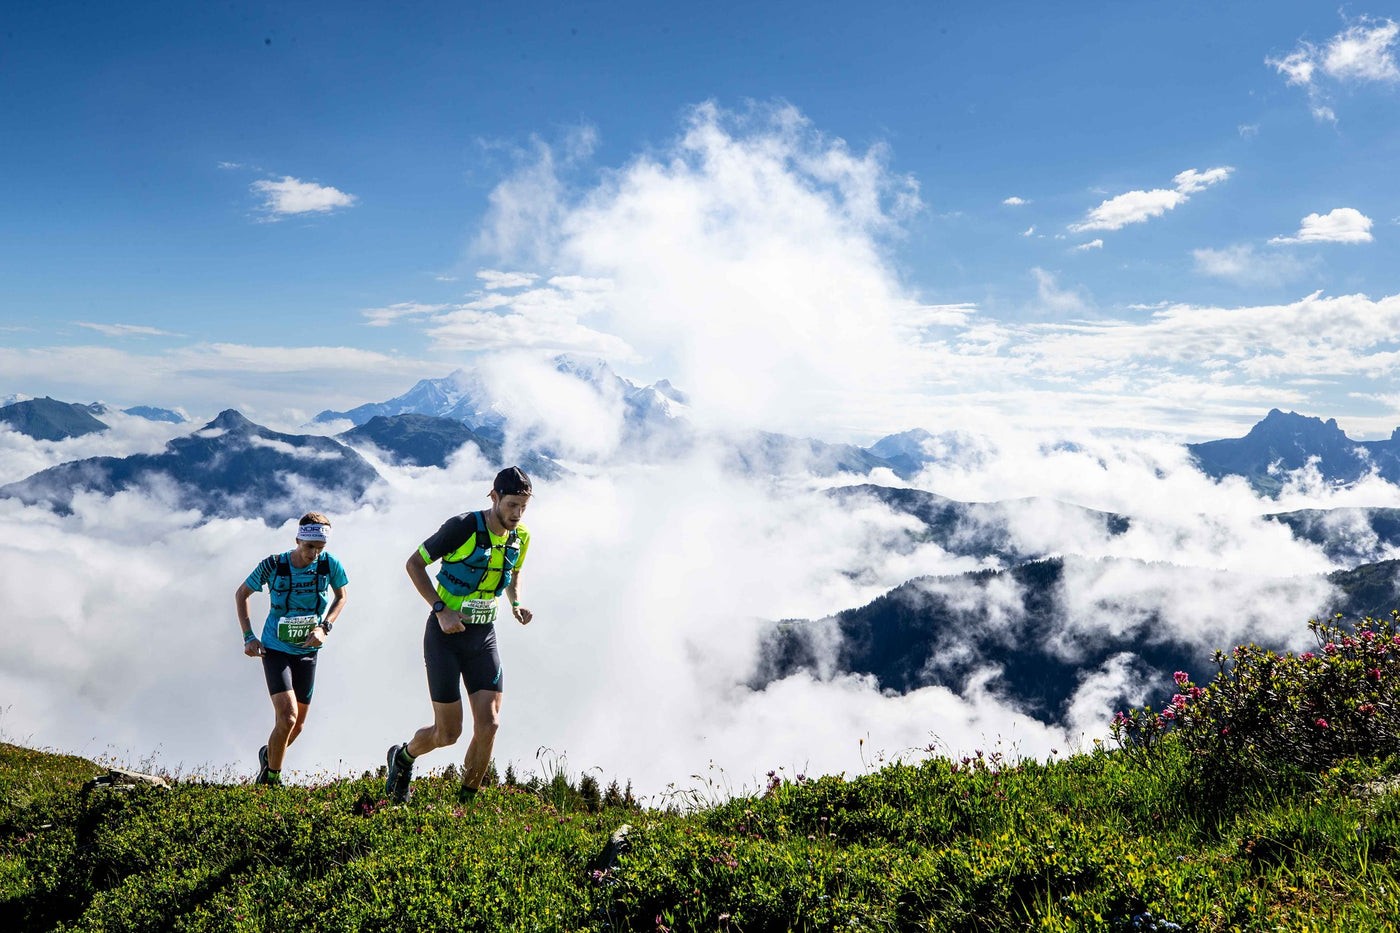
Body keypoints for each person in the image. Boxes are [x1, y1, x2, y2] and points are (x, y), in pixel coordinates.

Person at [385, 466, 534, 803]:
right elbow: (413, 564)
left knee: (489, 725)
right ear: (494, 497)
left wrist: (517, 603)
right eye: (511, 505)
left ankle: (464, 807)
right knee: (448, 733)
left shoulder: (520, 536)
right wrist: (441, 609)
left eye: (523, 507)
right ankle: (403, 758)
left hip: (484, 637)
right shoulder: (463, 527)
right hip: (445, 638)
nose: (517, 514)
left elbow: (514, 571)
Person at [236, 512, 350, 785]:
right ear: (298, 538)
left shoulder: (329, 564)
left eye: (320, 548)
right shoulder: (273, 565)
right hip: (276, 649)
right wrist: (249, 637)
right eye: (309, 546)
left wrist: (325, 627)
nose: (314, 554)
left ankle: (268, 756)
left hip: (308, 652)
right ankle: (272, 780)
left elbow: (342, 596)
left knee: (297, 726)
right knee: (287, 718)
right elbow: (242, 594)